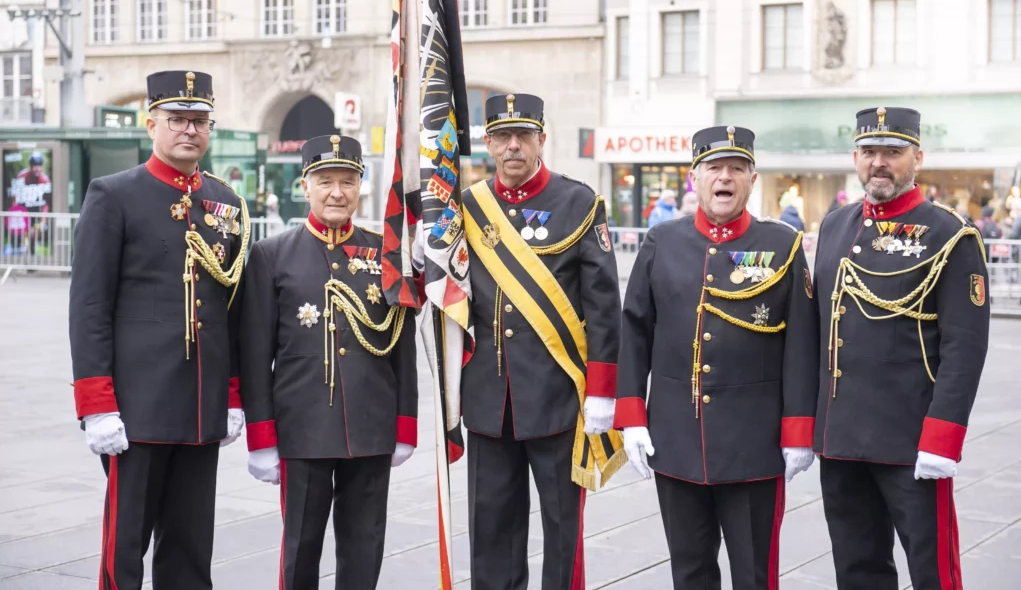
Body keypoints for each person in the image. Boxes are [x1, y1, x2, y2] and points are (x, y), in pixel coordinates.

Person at [615, 125, 819, 590]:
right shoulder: (660, 242)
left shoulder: (783, 246)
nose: (724, 177)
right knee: (689, 572)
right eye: (713, 167)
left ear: (752, 180)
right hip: (676, 440)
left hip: (754, 447)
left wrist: (798, 432)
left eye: (736, 168)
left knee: (754, 575)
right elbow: (634, 330)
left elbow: (802, 345)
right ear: (695, 178)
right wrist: (632, 416)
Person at [69, 71, 248, 590]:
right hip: (137, 408)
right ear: (152, 124)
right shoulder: (114, 195)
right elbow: (90, 306)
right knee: (126, 544)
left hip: (199, 407)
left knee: (192, 547)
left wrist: (233, 393)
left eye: (199, 121)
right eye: (177, 120)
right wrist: (96, 402)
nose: (189, 130)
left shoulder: (225, 204)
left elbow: (232, 308)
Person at [811, 107, 990, 590]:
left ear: (917, 158)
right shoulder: (835, 226)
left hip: (911, 441)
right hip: (841, 439)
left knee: (932, 571)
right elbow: (819, 330)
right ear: (855, 157)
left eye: (893, 152)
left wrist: (943, 438)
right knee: (857, 569)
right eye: (870, 152)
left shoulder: (949, 234)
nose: (880, 163)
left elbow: (965, 346)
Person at [458, 93, 625, 589]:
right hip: (489, 400)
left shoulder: (578, 202)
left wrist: (602, 390)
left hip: (556, 398)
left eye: (523, 136)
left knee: (561, 529)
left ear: (541, 140)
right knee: (490, 530)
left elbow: (603, 306)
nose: (513, 146)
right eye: (502, 137)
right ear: (487, 144)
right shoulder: (466, 209)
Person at [239, 135, 417, 590]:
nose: (336, 192)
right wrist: (261, 435)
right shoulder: (271, 255)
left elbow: (403, 347)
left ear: (362, 186)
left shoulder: (385, 254)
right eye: (325, 181)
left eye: (347, 181)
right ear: (305, 186)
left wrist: (404, 424)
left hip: (370, 427)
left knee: (365, 546)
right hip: (302, 429)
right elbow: (256, 354)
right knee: (300, 547)